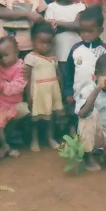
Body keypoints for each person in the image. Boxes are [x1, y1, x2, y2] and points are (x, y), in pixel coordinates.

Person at [44, 0, 86, 122]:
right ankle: (63, 122)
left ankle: (76, 121)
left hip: (78, 56)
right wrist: (69, 26)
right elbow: (49, 30)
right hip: (59, 55)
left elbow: (78, 26)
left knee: (76, 87)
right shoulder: (51, 7)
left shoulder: (80, 7)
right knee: (62, 88)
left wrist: (58, 23)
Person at [24, 22, 63, 151]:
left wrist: (60, 90)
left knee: (50, 118)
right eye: (41, 42)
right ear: (33, 41)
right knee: (35, 118)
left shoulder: (53, 58)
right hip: (37, 93)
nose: (45, 46)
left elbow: (58, 75)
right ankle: (34, 139)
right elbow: (26, 77)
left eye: (48, 43)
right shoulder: (31, 57)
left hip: (51, 92)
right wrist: (28, 94)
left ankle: (50, 137)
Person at [0, 37, 30, 158]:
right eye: (0, 56)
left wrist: (0, 85)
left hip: (14, 104)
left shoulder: (22, 68)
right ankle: (5, 145)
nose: (3, 59)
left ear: (16, 52)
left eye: (6, 55)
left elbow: (17, 87)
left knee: (18, 114)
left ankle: (6, 142)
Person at [65, 7, 106, 96]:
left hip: (101, 95)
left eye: (90, 31)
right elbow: (69, 72)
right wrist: (68, 92)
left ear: (100, 31)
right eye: (83, 31)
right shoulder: (75, 49)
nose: (86, 34)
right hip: (79, 95)